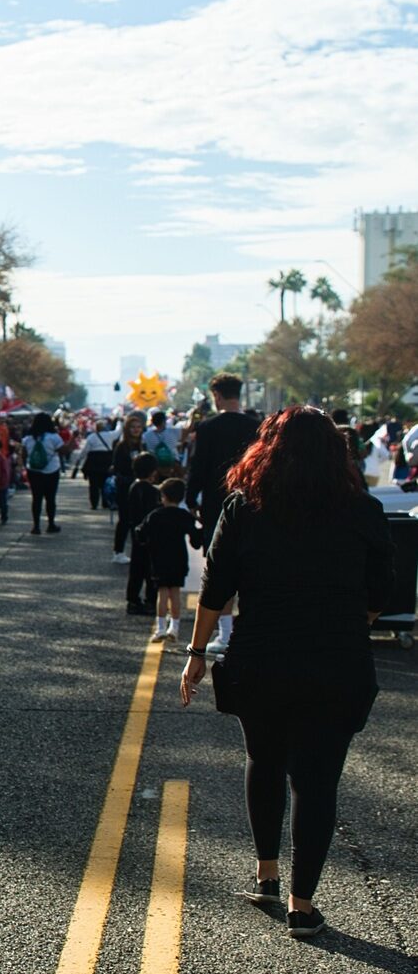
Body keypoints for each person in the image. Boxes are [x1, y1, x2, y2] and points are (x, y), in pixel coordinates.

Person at [179, 406, 394, 939]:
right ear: (337, 451)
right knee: (318, 782)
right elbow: (382, 593)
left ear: (267, 450)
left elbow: (215, 588)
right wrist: (347, 620)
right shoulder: (363, 510)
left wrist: (197, 652)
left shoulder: (245, 507)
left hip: (260, 658)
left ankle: (266, 874)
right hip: (338, 662)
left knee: (264, 759)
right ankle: (303, 906)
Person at [185, 375, 260, 650]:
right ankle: (250, 627)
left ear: (216, 395)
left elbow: (199, 467)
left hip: (217, 503)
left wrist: (191, 497)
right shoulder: (256, 426)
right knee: (251, 564)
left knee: (219, 567)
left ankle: (225, 633)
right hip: (253, 501)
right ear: (239, 393)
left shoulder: (207, 428)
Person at [136, 478, 201, 642]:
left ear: (163, 496)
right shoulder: (184, 516)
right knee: (175, 593)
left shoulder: (155, 515)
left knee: (163, 593)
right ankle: (175, 627)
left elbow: (140, 533)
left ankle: (160, 628)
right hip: (179, 559)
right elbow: (195, 540)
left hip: (160, 559)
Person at [123, 453, 162, 616]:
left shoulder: (134, 487)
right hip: (150, 535)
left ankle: (132, 600)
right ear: (153, 472)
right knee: (150, 569)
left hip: (136, 532)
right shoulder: (152, 491)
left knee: (136, 569)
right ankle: (151, 600)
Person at [110, 412, 148, 562]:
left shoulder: (141, 445)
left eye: (138, 427)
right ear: (127, 429)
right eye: (132, 427)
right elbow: (118, 468)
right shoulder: (121, 446)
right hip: (125, 487)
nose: (136, 429)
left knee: (138, 520)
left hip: (139, 487)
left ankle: (137, 551)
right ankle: (118, 551)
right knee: (125, 520)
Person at [22, 412, 65, 535]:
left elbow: (24, 455)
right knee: (50, 498)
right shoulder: (54, 437)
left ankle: (36, 526)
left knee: (36, 499)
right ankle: (51, 524)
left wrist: (27, 466)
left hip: (34, 471)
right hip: (51, 471)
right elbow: (63, 450)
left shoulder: (28, 438)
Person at [79, 416, 116, 510]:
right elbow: (119, 431)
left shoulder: (91, 437)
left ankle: (94, 504)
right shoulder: (110, 435)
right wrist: (120, 421)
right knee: (105, 483)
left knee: (93, 485)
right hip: (106, 461)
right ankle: (105, 502)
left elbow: (85, 450)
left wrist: (79, 459)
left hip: (93, 462)